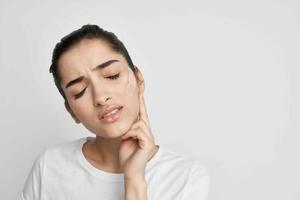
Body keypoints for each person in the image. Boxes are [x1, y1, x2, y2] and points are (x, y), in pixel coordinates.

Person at [18, 24, 210, 200]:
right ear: (71, 111)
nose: (100, 97)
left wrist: (135, 180)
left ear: (139, 79)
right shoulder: (49, 167)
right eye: (79, 92)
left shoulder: (185, 177)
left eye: (112, 76)